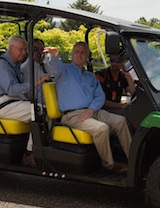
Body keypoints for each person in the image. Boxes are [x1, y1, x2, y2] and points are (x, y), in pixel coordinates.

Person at [50, 41, 132, 174]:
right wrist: (54, 56)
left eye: (83, 52)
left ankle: (133, 161)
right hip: (73, 115)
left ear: (87, 56)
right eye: (77, 51)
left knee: (121, 122)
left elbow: (100, 97)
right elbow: (54, 69)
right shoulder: (64, 71)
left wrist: (91, 109)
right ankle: (109, 165)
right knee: (102, 129)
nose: (79, 54)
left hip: (93, 111)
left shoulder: (90, 76)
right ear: (72, 54)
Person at [0, 35, 50, 167]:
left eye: (25, 50)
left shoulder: (15, 65)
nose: (24, 53)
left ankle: (44, 149)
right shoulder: (1, 64)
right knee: (38, 111)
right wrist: (38, 81)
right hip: (2, 103)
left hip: (13, 102)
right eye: (21, 50)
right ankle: (28, 153)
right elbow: (11, 90)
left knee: (44, 108)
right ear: (11, 48)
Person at [21, 38, 54, 104]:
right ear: (29, 52)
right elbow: (27, 91)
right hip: (40, 104)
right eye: (36, 50)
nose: (40, 53)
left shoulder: (46, 64)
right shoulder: (25, 68)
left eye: (42, 49)